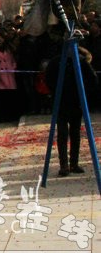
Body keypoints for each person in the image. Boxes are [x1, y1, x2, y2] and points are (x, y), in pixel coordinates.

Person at [46, 43, 98, 176]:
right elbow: (48, 79)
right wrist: (55, 92)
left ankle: (74, 163)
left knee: (75, 134)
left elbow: (93, 80)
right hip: (61, 102)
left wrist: (84, 93)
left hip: (76, 102)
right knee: (62, 134)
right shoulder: (56, 62)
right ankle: (64, 165)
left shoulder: (81, 62)